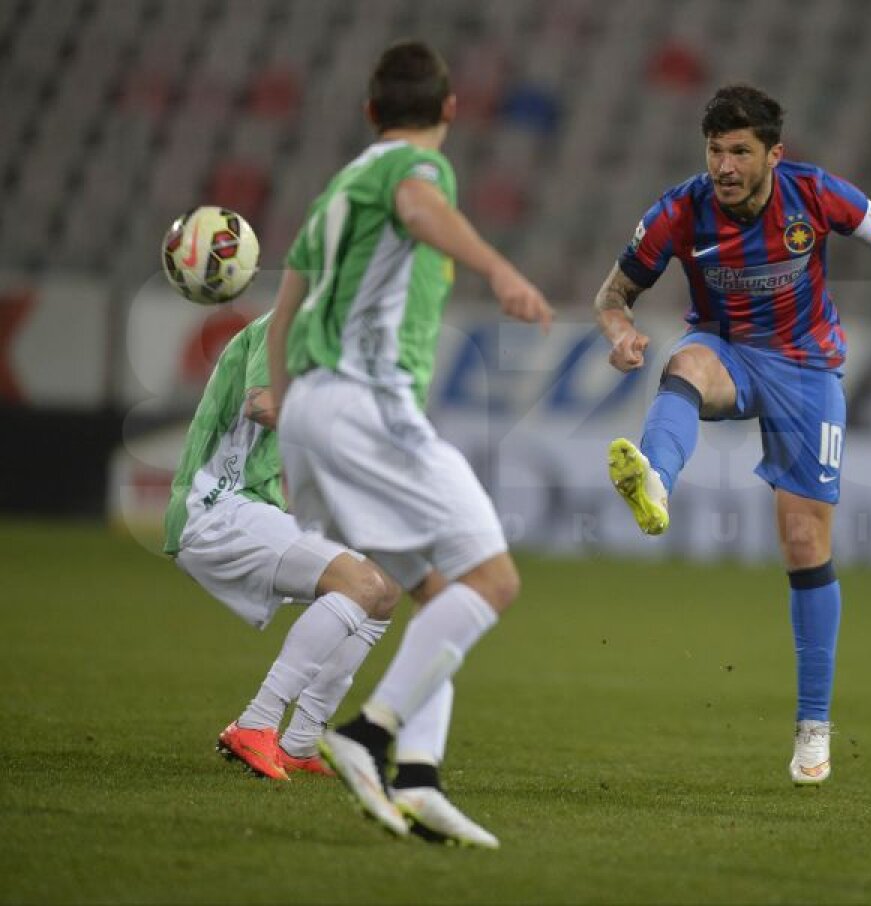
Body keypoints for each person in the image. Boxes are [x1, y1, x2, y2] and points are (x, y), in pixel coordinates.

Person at [594, 85, 871, 785]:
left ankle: (813, 726)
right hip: (728, 351)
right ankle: (656, 482)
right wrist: (619, 332)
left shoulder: (815, 195)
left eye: (739, 152)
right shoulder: (677, 211)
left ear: (772, 156)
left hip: (807, 371)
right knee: (684, 361)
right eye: (714, 150)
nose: (724, 166)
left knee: (804, 543)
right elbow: (612, 296)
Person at [267, 40, 553, 847]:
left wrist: (293, 431)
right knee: (492, 579)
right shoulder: (415, 172)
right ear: (450, 111)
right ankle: (368, 733)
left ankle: (419, 777)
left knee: (434, 594)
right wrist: (498, 269)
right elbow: (423, 209)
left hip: (314, 407)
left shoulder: (337, 190)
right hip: (369, 404)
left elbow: (285, 313)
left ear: (369, 112)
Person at [165, 312, 400, 782]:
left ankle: (301, 741)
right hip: (213, 505)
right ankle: (257, 721)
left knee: (385, 590)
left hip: (249, 504)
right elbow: (262, 404)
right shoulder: (294, 321)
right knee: (360, 585)